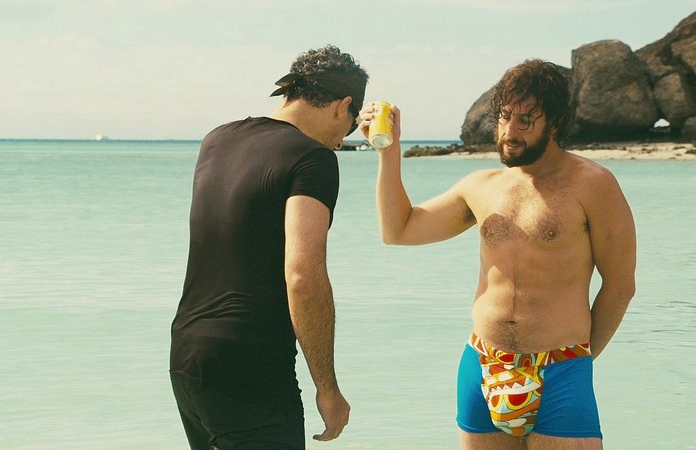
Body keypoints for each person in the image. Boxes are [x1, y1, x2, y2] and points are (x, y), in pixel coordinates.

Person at [360, 59, 636, 449]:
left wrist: (581, 360)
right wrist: (389, 153)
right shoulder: (481, 186)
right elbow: (399, 230)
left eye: (526, 121)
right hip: (482, 364)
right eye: (505, 117)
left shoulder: (593, 184)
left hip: (559, 370)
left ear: (554, 123)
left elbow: (620, 286)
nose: (510, 132)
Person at [169, 45, 368, 450]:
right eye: (349, 128)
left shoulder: (218, 139)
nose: (339, 143)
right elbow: (303, 277)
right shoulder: (312, 158)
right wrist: (327, 388)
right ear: (342, 106)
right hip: (249, 369)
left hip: (188, 356)